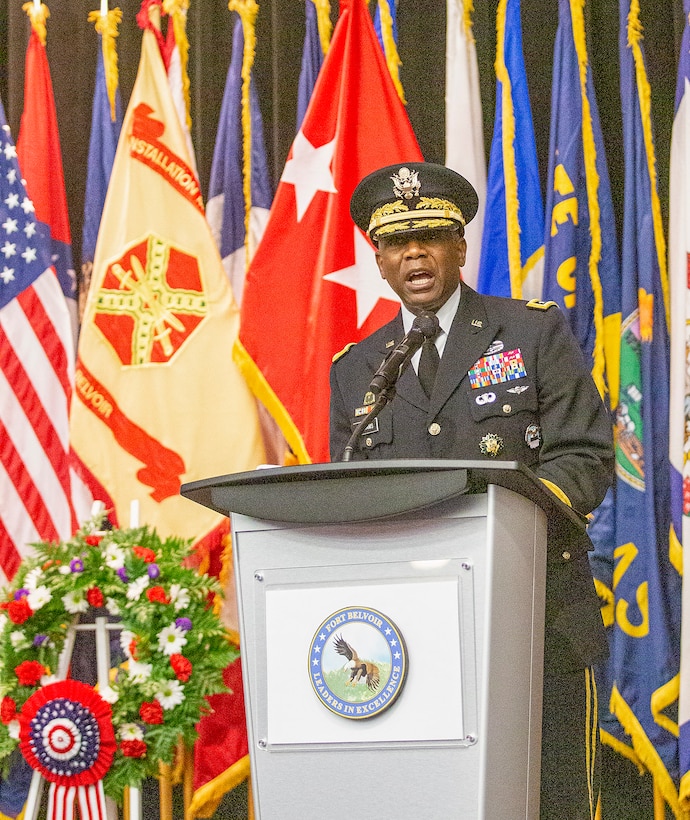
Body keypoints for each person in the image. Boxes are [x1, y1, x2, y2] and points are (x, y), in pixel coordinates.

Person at [329, 161, 613, 819]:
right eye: (397, 243)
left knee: (551, 800)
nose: (415, 254)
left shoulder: (533, 332)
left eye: (430, 235)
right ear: (378, 259)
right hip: (410, 636)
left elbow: (584, 458)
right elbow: (347, 490)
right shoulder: (357, 370)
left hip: (537, 619)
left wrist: (496, 530)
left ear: (460, 248)